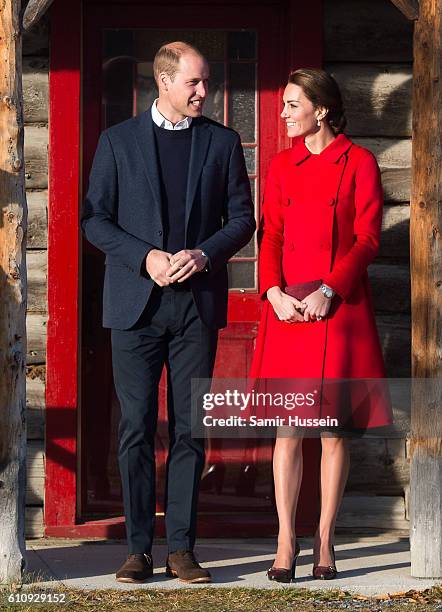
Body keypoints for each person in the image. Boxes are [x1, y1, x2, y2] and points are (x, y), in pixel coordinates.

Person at [82, 41, 255, 584]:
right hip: (134, 306)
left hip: (196, 309)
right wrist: (146, 257)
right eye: (195, 83)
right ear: (163, 80)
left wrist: (205, 253)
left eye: (206, 83)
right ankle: (138, 549)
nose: (206, 92)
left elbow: (242, 218)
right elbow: (95, 220)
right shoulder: (117, 142)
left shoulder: (222, 143)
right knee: (134, 428)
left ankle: (181, 549)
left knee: (189, 432)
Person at [250, 68, 392, 583]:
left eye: (292, 104)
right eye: (284, 104)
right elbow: (270, 236)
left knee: (333, 433)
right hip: (287, 308)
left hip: (338, 306)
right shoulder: (282, 165)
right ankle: (286, 538)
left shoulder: (359, 163)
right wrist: (272, 293)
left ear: (321, 110)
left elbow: (368, 238)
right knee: (287, 431)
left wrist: (329, 289)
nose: (283, 113)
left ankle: (324, 540)